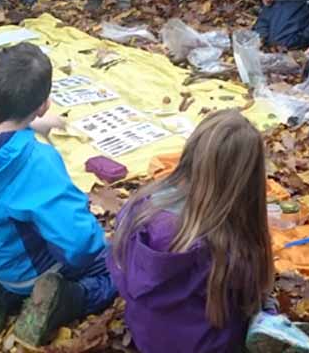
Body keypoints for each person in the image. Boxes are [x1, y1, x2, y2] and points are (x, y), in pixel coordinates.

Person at [0, 44, 116, 345]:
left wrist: (33, 125)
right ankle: (64, 300)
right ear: (44, 105)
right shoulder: (36, 162)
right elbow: (77, 243)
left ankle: (1, 290)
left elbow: (1, 138)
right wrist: (101, 251)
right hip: (34, 269)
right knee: (116, 267)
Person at [106, 109, 274, 352]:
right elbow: (248, 300)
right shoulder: (226, 245)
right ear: (248, 180)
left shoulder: (141, 205)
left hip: (145, 336)